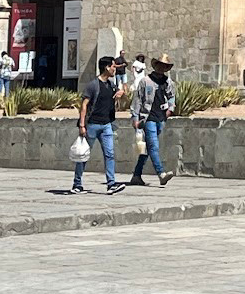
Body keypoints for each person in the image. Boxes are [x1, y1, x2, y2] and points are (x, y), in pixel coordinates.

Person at [74, 56, 126, 194]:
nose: (115, 69)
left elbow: (118, 98)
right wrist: (82, 125)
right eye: (113, 66)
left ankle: (111, 184)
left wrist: (121, 93)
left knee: (110, 154)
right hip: (92, 125)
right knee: (83, 154)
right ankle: (77, 184)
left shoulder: (111, 84)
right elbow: (84, 105)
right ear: (107, 67)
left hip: (106, 125)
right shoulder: (93, 85)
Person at [128, 53, 177, 188]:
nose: (162, 68)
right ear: (156, 66)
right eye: (160, 65)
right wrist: (135, 117)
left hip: (160, 118)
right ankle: (161, 174)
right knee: (154, 146)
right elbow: (137, 100)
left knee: (149, 148)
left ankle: (136, 175)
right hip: (147, 117)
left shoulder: (168, 83)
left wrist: (170, 109)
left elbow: (172, 96)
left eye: (165, 66)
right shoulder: (145, 81)